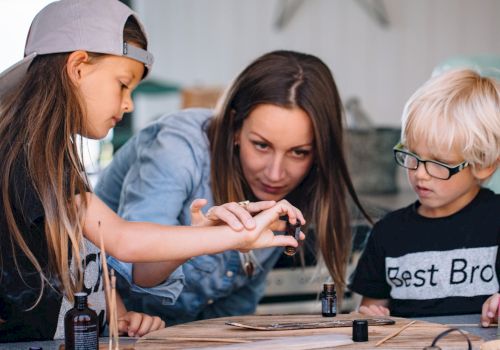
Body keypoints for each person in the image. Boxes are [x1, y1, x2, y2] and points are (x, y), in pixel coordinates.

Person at [0, 0, 303, 342]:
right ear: (79, 67)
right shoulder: (22, 155)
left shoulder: (54, 160)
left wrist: (119, 316)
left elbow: (88, 260)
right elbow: (122, 240)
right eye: (122, 84)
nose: (128, 104)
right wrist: (233, 236)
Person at [95, 50, 372, 324]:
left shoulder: (293, 190)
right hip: (107, 325)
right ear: (234, 126)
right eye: (261, 145)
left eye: (298, 152)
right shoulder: (176, 150)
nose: (276, 174)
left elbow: (233, 313)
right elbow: (137, 270)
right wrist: (201, 240)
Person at [349, 69, 500, 319]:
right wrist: (372, 317)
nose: (420, 174)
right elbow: (368, 311)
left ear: (483, 164)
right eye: (413, 156)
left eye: (439, 163)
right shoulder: (388, 233)